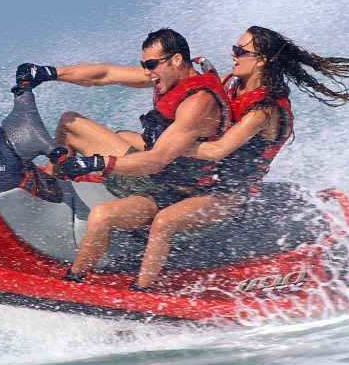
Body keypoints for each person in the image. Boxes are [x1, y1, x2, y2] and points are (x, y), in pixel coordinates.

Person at [127, 25, 349, 289]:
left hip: (229, 197)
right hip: (202, 181)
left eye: (240, 51)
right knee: (124, 139)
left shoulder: (263, 111)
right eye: (234, 48)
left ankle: (140, 290)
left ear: (262, 60)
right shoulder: (230, 85)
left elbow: (217, 150)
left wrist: (165, 148)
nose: (233, 54)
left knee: (164, 216)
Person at [15, 28, 230, 288]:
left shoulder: (199, 102)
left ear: (176, 60)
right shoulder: (166, 77)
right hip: (154, 174)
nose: (147, 72)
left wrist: (95, 163)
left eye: (151, 65)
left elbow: (157, 160)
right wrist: (49, 73)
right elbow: (105, 74)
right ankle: (48, 197)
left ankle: (73, 282)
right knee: (70, 123)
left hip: (172, 194)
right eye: (144, 65)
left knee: (101, 216)